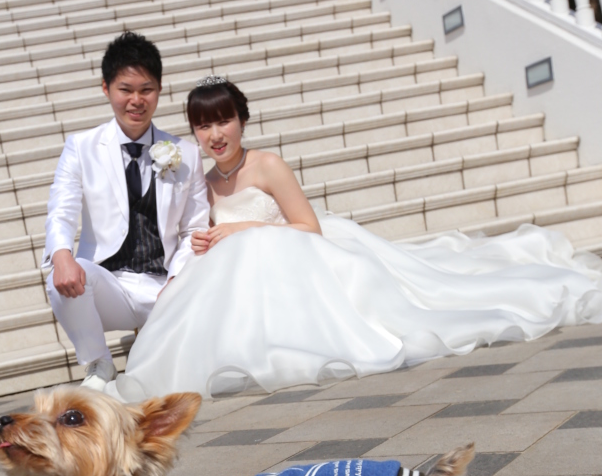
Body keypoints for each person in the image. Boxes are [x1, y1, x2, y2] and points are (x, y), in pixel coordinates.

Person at [114, 76, 602, 400]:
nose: (214, 134)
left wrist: (241, 228)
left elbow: (307, 228)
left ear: (242, 119)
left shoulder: (268, 165)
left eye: (223, 120)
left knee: (256, 248)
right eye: (203, 125)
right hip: (244, 277)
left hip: (300, 259)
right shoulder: (201, 177)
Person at [43, 32, 209, 390]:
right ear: (106, 89)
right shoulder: (81, 147)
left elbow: (193, 230)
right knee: (60, 275)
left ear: (160, 90)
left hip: (165, 286)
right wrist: (61, 254)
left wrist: (177, 281)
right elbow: (62, 208)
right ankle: (100, 364)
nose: (136, 100)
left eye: (146, 89)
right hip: (109, 285)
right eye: (125, 89)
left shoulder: (186, 153)